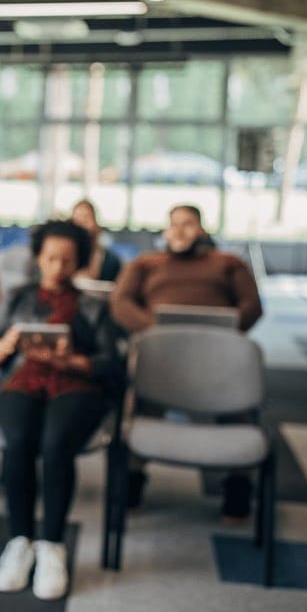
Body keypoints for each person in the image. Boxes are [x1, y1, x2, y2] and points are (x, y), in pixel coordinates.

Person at [0, 220, 123, 600]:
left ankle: (52, 545)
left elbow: (112, 364)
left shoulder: (93, 305)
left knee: (56, 441)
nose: (57, 268)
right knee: (18, 440)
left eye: (66, 260)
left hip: (76, 385)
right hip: (22, 379)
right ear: (38, 258)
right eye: (50, 259)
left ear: (78, 262)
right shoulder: (16, 296)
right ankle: (19, 539)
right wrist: (7, 344)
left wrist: (72, 361)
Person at [109, 204, 263, 522]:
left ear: (202, 230)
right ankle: (134, 481)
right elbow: (120, 303)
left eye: (188, 224)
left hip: (217, 355)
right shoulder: (146, 264)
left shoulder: (228, 263)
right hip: (161, 355)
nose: (179, 230)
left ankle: (238, 485)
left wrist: (228, 330)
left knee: (239, 407)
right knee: (143, 402)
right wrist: (155, 331)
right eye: (174, 224)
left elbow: (252, 305)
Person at [70, 199, 122, 282]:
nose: (82, 224)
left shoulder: (111, 261)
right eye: (77, 220)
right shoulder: (64, 257)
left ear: (96, 223)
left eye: (86, 218)